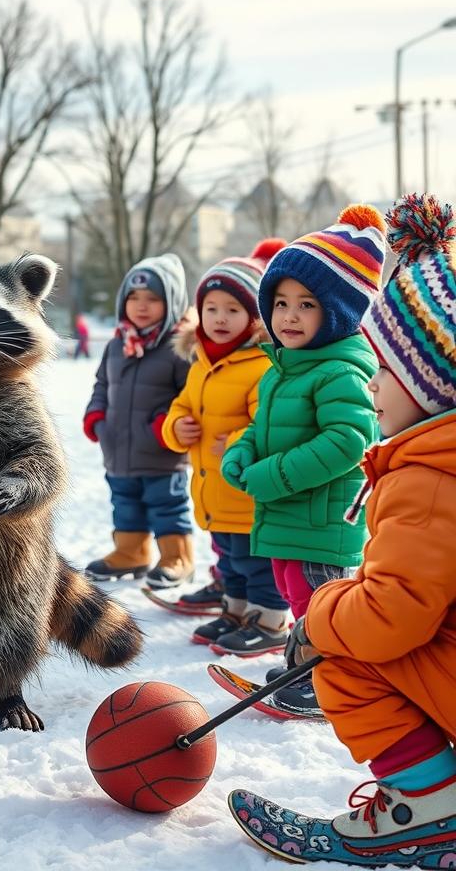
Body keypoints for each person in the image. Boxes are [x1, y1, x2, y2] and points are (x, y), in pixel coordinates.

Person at [229, 194, 456, 867]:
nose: (372, 379)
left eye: (383, 366)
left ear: (429, 377)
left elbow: (393, 618)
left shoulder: (431, 476)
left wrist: (326, 613)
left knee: (344, 653)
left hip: (321, 533)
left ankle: (427, 808)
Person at [223, 205, 383, 712]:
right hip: (290, 517)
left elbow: (350, 440)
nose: (289, 316)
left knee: (324, 605)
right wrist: (242, 451)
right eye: (281, 302)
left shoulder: (340, 370)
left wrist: (273, 475)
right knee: (299, 598)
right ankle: (304, 665)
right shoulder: (284, 369)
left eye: (307, 304)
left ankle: (331, 680)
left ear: (338, 312)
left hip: (322, 520)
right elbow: (264, 428)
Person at [162, 242, 289, 651]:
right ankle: (235, 611)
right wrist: (175, 428)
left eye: (233, 310)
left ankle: (269, 621)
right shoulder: (203, 361)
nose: (219, 318)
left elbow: (268, 425)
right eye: (211, 308)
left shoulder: (261, 366)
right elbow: (182, 406)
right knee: (230, 562)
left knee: (256, 563)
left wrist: (236, 444)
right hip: (213, 490)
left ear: (254, 318)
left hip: (246, 492)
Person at [83, 254, 194, 589]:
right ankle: (131, 551)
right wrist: (96, 416)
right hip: (117, 447)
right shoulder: (118, 345)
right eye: (134, 298)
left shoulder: (179, 347)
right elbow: (102, 383)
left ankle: (178, 557)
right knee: (125, 503)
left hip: (162, 452)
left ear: (171, 302)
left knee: (167, 505)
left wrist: (166, 426)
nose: (141, 306)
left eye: (153, 299)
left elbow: (191, 396)